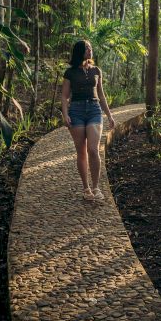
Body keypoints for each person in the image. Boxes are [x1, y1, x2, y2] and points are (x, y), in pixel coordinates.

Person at [61, 40, 115, 201]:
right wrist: (65, 115)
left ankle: (96, 187)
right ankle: (86, 188)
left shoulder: (96, 71)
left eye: (90, 47)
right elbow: (64, 96)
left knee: (93, 149)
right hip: (76, 111)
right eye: (86, 48)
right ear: (79, 52)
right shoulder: (70, 73)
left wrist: (110, 115)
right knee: (81, 151)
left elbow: (102, 95)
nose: (90, 50)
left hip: (94, 110)